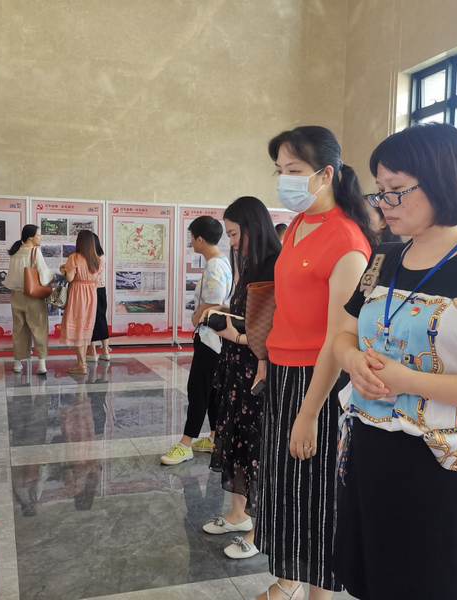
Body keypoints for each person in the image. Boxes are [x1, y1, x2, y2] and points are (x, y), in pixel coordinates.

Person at [332, 122, 457, 600]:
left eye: (396, 190)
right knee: (379, 579)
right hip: (373, 456)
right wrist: (353, 360)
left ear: (444, 182)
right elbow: (344, 334)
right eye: (379, 191)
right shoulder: (383, 259)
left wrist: (409, 380)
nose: (384, 203)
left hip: (446, 472)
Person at [255, 126, 375, 600]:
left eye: (294, 170)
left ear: (326, 174)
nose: (284, 179)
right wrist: (267, 359)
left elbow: (337, 338)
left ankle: (314, 593)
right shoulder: (298, 226)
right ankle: (289, 580)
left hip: (320, 381)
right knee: (287, 485)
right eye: (279, 170)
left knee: (317, 493)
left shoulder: (347, 241)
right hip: (284, 373)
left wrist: (308, 413)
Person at [201, 196, 280, 560]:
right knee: (235, 441)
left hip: (259, 367)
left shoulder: (277, 265)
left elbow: (277, 328)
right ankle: (238, 514)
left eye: (234, 234)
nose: (231, 242)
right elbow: (249, 316)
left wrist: (237, 335)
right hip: (238, 366)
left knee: (256, 447)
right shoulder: (250, 264)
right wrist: (223, 314)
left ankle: (259, 526)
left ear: (253, 228)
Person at [161, 216, 232, 465]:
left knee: (198, 389)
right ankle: (214, 437)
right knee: (211, 390)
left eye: (192, 237)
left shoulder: (214, 265)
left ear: (200, 239)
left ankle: (185, 444)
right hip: (215, 339)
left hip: (210, 339)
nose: (191, 242)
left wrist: (197, 315)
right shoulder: (222, 261)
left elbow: (216, 299)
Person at [3, 225, 52, 375]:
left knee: (19, 330)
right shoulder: (35, 251)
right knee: (39, 329)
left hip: (16, 295)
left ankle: (18, 363)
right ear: (30, 237)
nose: (41, 238)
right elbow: (43, 275)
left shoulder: (15, 251)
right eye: (39, 235)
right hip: (33, 297)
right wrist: (53, 275)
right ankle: (41, 364)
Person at [59, 230, 102, 374]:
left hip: (78, 293)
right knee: (85, 328)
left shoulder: (74, 257)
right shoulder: (97, 260)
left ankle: (81, 364)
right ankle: (82, 362)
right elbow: (96, 281)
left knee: (77, 328)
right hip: (91, 294)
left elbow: (70, 278)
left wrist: (63, 270)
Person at [86, 233, 112, 362]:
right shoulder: (102, 256)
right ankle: (105, 350)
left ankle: (92, 351)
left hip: (90, 290)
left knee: (90, 320)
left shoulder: (88, 257)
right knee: (101, 318)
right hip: (101, 290)